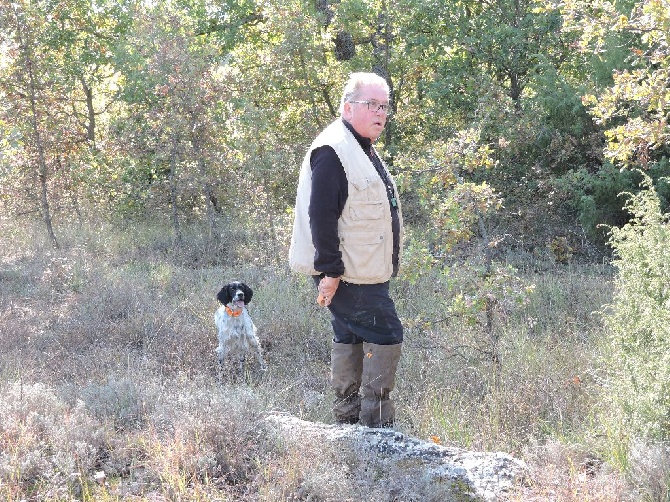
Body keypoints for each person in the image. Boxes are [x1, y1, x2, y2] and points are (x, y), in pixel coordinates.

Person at [289, 72, 404, 427]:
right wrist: (331, 272)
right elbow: (320, 215)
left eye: (384, 106)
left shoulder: (359, 146)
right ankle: (376, 426)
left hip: (363, 270)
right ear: (347, 107)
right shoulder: (333, 150)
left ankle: (347, 424)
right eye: (371, 104)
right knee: (386, 334)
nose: (379, 113)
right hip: (349, 273)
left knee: (351, 334)